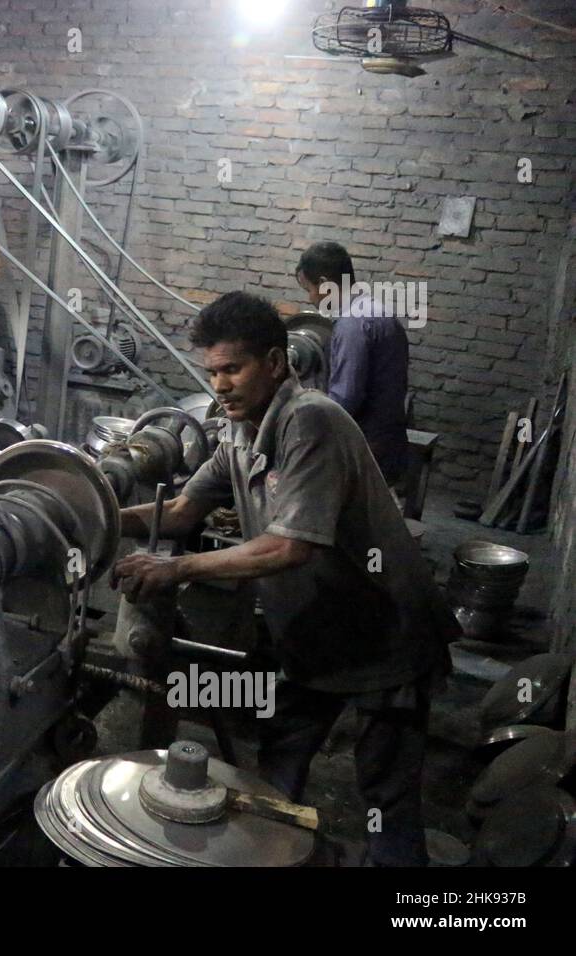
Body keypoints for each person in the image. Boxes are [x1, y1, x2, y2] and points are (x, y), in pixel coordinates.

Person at [112, 291, 455, 867]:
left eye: (232, 368)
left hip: (384, 638)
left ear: (275, 363)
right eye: (212, 372)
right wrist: (93, 515)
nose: (220, 385)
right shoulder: (239, 433)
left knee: (385, 800)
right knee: (273, 777)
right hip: (313, 640)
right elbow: (181, 511)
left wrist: (176, 568)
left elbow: (290, 545)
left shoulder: (310, 421)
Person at [295, 241, 409, 486]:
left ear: (325, 283)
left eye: (309, 289)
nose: (311, 298)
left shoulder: (351, 325)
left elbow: (346, 398)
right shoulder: (378, 311)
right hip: (390, 437)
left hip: (366, 446)